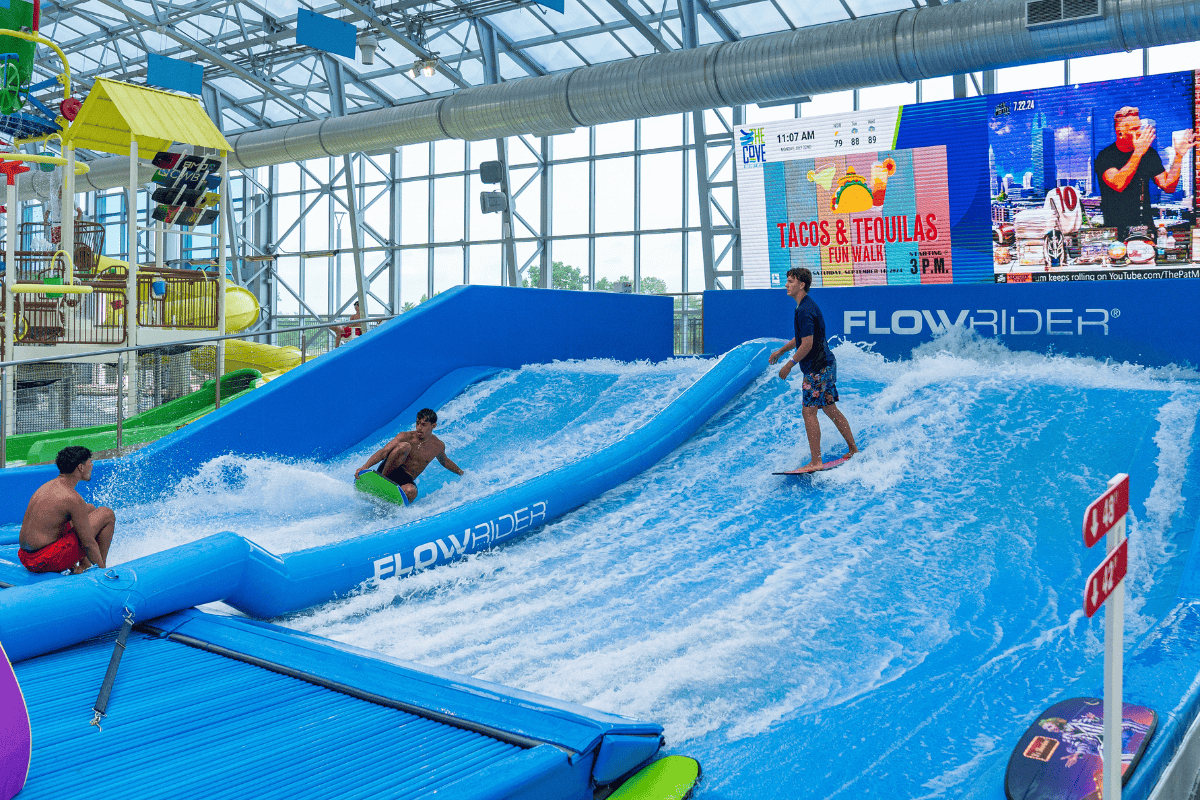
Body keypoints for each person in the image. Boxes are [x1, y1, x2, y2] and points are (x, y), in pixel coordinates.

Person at [768, 267, 858, 471]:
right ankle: (853, 449)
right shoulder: (804, 307)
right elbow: (801, 339)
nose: (786, 285)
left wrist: (789, 365)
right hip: (825, 364)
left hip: (817, 368)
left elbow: (807, 344)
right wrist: (782, 350)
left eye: (790, 281)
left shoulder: (805, 310)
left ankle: (816, 461)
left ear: (801, 284)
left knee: (809, 412)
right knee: (829, 408)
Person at [1095, 106, 1195, 240]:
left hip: (1145, 232)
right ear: (1120, 133)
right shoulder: (1106, 156)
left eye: (1140, 127)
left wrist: (1178, 156)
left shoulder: (1148, 154)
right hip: (1116, 233)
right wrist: (1138, 153)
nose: (1140, 132)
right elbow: (1118, 184)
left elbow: (1168, 186)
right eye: (1134, 129)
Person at [18, 446, 116, 574]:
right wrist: (104, 572)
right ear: (80, 467)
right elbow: (88, 544)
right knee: (106, 514)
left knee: (89, 509)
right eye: (90, 462)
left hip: (26, 557)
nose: (92, 465)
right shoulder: (72, 498)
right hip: (43, 561)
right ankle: (98, 572)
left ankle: (84, 565)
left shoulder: (47, 486)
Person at [355, 408, 464, 503]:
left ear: (433, 426)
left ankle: (396, 508)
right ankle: (383, 481)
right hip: (387, 471)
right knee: (404, 447)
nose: (419, 428)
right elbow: (384, 452)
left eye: (423, 425)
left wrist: (462, 473)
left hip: (404, 478)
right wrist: (365, 466)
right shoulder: (405, 436)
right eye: (417, 423)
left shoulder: (438, 446)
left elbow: (445, 461)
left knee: (411, 492)